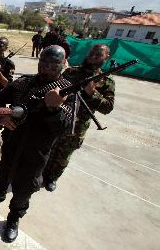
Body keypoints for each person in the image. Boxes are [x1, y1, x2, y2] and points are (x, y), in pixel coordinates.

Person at [0, 45, 74, 243]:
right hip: (11, 141)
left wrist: (54, 108)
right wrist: (2, 118)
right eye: (43, 62)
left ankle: (14, 217)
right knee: (1, 175)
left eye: (53, 64)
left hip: (37, 150)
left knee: (25, 187)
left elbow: (65, 129)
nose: (47, 68)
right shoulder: (23, 84)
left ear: (62, 65)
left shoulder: (67, 91)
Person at [43, 44, 115, 191]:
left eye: (98, 54)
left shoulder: (106, 81)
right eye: (91, 52)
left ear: (106, 57)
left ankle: (52, 178)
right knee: (48, 147)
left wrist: (92, 92)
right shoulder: (71, 72)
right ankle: (40, 172)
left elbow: (108, 107)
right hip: (59, 117)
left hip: (78, 125)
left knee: (64, 153)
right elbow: (53, 87)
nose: (93, 56)